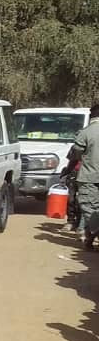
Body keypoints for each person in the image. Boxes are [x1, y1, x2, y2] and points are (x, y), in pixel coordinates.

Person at [71, 105, 99, 249]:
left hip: (90, 177)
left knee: (90, 210)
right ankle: (89, 241)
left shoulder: (86, 132)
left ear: (91, 115)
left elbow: (76, 154)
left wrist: (69, 169)